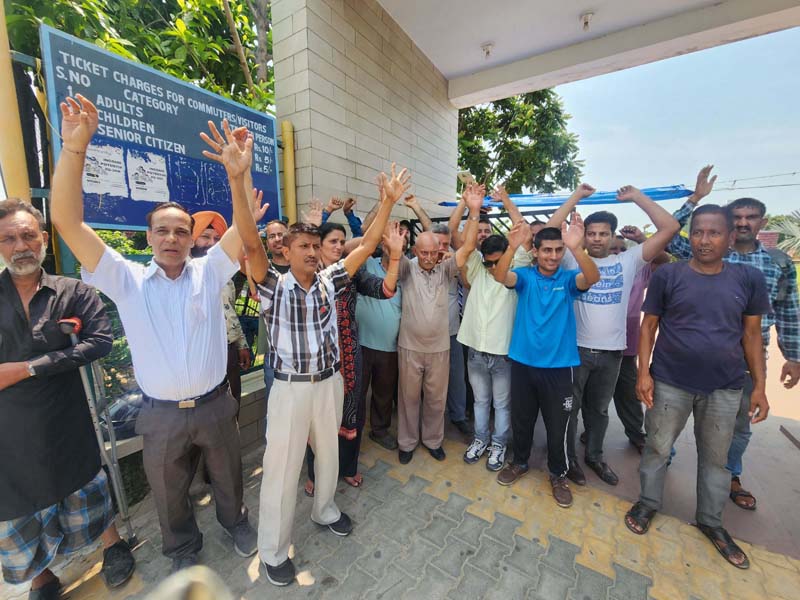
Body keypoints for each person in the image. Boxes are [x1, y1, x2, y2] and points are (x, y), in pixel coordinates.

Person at [50, 95, 259, 572]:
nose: (172, 238)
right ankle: (183, 549)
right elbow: (65, 221)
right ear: (149, 238)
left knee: (229, 476)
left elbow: (247, 236)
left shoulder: (210, 273)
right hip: (161, 415)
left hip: (213, 405)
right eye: (162, 230)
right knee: (169, 493)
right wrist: (75, 148)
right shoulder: (125, 279)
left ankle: (236, 522)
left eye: (181, 231)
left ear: (191, 238)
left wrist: (238, 176)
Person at [219, 124, 409, 584]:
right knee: (282, 471)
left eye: (314, 246)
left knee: (329, 454)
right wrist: (237, 180)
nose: (309, 252)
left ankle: (325, 510)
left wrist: (386, 203)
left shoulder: (332, 279)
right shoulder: (271, 286)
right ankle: (272, 550)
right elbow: (248, 242)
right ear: (285, 250)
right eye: (300, 246)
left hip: (330, 381)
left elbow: (366, 246)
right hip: (288, 391)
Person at [0, 199, 136, 600]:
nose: (20, 246)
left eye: (28, 235)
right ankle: (41, 577)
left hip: (65, 414)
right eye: (9, 239)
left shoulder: (72, 291)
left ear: (43, 239)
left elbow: (99, 341)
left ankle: (112, 544)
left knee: (84, 482)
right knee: (17, 501)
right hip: (8, 426)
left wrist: (29, 368)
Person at [625, 204, 770, 570]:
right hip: (670, 381)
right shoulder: (669, 275)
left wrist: (760, 387)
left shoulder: (748, 279)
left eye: (714, 233)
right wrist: (644, 374)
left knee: (716, 460)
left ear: (730, 236)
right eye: (698, 233)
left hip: (725, 386)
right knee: (657, 446)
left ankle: (711, 521)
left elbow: (752, 335)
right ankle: (648, 502)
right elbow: (648, 326)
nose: (705, 240)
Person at [666, 166, 800, 510]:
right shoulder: (706, 250)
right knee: (672, 416)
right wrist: (695, 199)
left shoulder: (777, 262)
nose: (743, 223)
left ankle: (730, 474)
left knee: (739, 424)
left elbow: (787, 311)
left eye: (750, 217)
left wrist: (794, 356)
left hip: (744, 362)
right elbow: (666, 235)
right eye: (736, 218)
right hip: (690, 355)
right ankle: (661, 458)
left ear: (762, 221)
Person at [547, 184, 680, 487]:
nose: (596, 239)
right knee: (570, 410)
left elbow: (670, 228)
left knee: (599, 411)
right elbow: (550, 229)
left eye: (602, 234)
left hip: (612, 353)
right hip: (575, 350)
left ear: (612, 236)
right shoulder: (571, 258)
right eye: (591, 233)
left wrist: (637, 198)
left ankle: (594, 456)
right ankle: (568, 462)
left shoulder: (629, 261)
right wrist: (576, 198)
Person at [493, 212, 600, 509]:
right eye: (547, 250)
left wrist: (577, 248)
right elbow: (501, 276)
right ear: (537, 252)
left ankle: (558, 474)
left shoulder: (567, 280)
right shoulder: (526, 277)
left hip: (559, 367)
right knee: (522, 419)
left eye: (558, 250)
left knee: (558, 426)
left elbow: (592, 278)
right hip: (524, 363)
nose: (553, 256)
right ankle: (519, 462)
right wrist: (512, 247)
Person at [304, 220, 405, 494]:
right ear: (319, 246)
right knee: (317, 418)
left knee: (352, 412)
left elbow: (385, 290)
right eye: (332, 242)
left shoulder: (352, 272)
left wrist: (395, 257)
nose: (338, 246)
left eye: (341, 241)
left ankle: (347, 468)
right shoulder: (306, 273)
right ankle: (314, 474)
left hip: (349, 354)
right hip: (317, 360)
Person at [396, 185, 484, 464]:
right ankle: (407, 442)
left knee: (436, 399)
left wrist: (474, 210)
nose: (428, 257)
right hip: (409, 347)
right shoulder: (407, 268)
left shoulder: (446, 269)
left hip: (440, 348)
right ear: (415, 251)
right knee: (409, 399)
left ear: (439, 252)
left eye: (433, 252)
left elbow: (468, 246)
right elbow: (393, 261)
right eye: (423, 253)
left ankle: (433, 440)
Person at [457, 186, 531, 471]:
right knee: (480, 401)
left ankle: (499, 445)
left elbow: (522, 230)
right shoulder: (476, 267)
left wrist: (508, 202)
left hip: (503, 353)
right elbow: (466, 244)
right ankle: (480, 439)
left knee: (501, 404)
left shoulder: (519, 267)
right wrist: (473, 210)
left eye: (497, 262)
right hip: (475, 349)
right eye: (488, 263)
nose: (492, 269)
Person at [609, 226, 670, 453]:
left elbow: (663, 261)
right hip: (597, 343)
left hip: (627, 342)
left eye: (621, 249)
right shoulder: (594, 269)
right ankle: (591, 432)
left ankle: (636, 433)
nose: (617, 252)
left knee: (627, 392)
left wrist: (643, 239)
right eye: (612, 249)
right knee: (592, 394)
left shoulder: (638, 269)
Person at [192, 211, 252, 404]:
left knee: (233, 406)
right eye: (205, 237)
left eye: (217, 238)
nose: (211, 243)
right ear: (192, 239)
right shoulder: (181, 275)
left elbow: (229, 311)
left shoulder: (223, 274)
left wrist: (241, 344)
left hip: (229, 351)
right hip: (201, 355)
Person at [357, 233, 405, 451]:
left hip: (390, 347)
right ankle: (351, 433)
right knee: (356, 393)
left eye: (399, 245)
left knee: (383, 393)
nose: (393, 247)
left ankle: (380, 431)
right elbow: (360, 243)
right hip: (361, 343)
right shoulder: (367, 263)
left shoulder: (405, 273)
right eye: (387, 242)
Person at [431, 222, 471, 436]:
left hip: (452, 330)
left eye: (446, 243)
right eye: (438, 243)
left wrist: (457, 264)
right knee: (428, 381)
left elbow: (467, 283)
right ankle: (429, 419)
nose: (441, 248)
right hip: (425, 335)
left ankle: (458, 416)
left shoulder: (455, 259)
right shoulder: (415, 262)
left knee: (457, 377)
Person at [256, 219, 291, 401]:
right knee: (276, 409)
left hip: (305, 353)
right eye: (272, 236)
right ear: (267, 242)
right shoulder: (261, 270)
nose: (277, 239)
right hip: (275, 353)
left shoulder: (303, 268)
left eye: (281, 234)